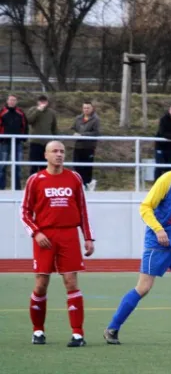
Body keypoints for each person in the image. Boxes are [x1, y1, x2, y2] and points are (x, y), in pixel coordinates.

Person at [103, 142, 171, 345]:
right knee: (143, 288)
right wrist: (158, 230)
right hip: (158, 244)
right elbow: (145, 208)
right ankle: (112, 328)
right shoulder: (166, 180)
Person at [21, 140, 95, 347]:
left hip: (69, 235)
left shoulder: (74, 178)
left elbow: (82, 210)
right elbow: (25, 212)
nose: (59, 154)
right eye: (54, 151)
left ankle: (78, 334)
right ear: (46, 155)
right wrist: (36, 233)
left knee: (71, 282)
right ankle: (38, 331)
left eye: (62, 151)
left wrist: (88, 237)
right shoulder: (35, 180)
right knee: (41, 285)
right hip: (44, 237)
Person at [71, 101, 101, 191]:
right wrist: (74, 134)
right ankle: (79, 184)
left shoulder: (96, 119)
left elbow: (96, 133)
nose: (86, 110)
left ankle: (87, 184)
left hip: (89, 147)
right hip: (78, 146)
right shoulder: (78, 118)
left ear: (92, 108)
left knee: (87, 167)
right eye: (84, 108)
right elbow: (73, 128)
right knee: (77, 166)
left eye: (88, 108)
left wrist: (83, 135)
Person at [0, 94, 28, 190]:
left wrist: (24, 138)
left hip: (17, 142)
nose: (12, 102)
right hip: (4, 142)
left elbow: (25, 125)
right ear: (7, 101)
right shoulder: (2, 112)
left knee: (17, 166)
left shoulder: (20, 113)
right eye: (10, 100)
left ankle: (17, 188)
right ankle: (1, 188)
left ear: (16, 102)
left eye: (14, 100)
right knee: (2, 165)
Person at [26, 95, 58, 175]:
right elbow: (29, 121)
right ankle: (32, 183)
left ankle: (45, 184)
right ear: (38, 102)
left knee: (45, 165)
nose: (43, 103)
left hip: (48, 143)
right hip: (35, 142)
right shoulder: (33, 110)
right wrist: (38, 111)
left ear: (47, 102)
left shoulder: (52, 112)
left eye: (44, 101)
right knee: (33, 165)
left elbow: (54, 127)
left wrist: (56, 141)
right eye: (41, 101)